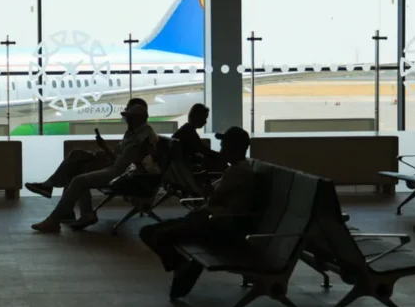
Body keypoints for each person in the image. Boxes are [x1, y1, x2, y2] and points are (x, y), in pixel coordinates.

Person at [140, 126, 256, 289]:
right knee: (150, 232)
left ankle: (182, 267)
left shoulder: (238, 173)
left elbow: (215, 199)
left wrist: (207, 188)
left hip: (216, 225)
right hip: (209, 219)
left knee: (156, 234)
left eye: (224, 146)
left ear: (232, 149)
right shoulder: (238, 170)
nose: (221, 149)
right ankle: (181, 266)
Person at [31, 103, 157, 233]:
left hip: (122, 174)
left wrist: (104, 148)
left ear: (138, 119)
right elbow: (120, 156)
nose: (126, 120)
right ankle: (81, 213)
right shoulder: (135, 132)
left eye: (129, 117)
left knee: (79, 179)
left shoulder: (141, 137)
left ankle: (55, 217)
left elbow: (121, 164)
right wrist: (104, 152)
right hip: (119, 169)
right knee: (76, 162)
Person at [174, 103, 225, 171]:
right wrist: (222, 157)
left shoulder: (186, 130)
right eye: (204, 118)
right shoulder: (189, 132)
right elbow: (203, 150)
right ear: (197, 117)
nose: (205, 121)